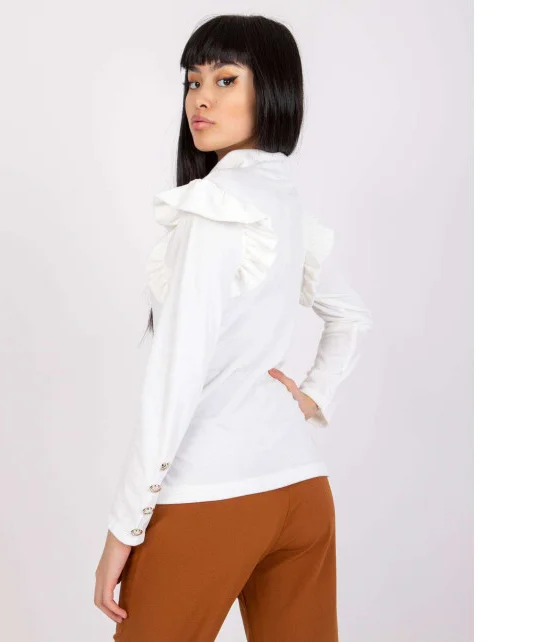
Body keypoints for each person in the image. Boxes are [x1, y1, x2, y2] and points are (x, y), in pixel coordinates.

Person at [94, 14, 373, 642]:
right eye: (193, 82)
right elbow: (350, 315)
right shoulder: (285, 202)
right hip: (301, 492)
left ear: (271, 89)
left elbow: (174, 379)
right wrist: (312, 397)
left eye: (225, 80)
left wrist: (122, 530)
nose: (201, 99)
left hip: (211, 494)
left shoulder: (215, 207)